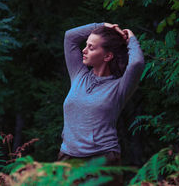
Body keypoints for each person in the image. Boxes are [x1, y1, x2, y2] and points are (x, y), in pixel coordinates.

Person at [58, 22, 145, 184]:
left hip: (102, 159)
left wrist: (130, 38)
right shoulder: (79, 74)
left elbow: (137, 63)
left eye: (91, 48)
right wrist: (104, 25)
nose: (84, 50)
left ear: (107, 56)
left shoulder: (119, 86)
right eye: (86, 45)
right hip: (68, 157)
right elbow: (69, 37)